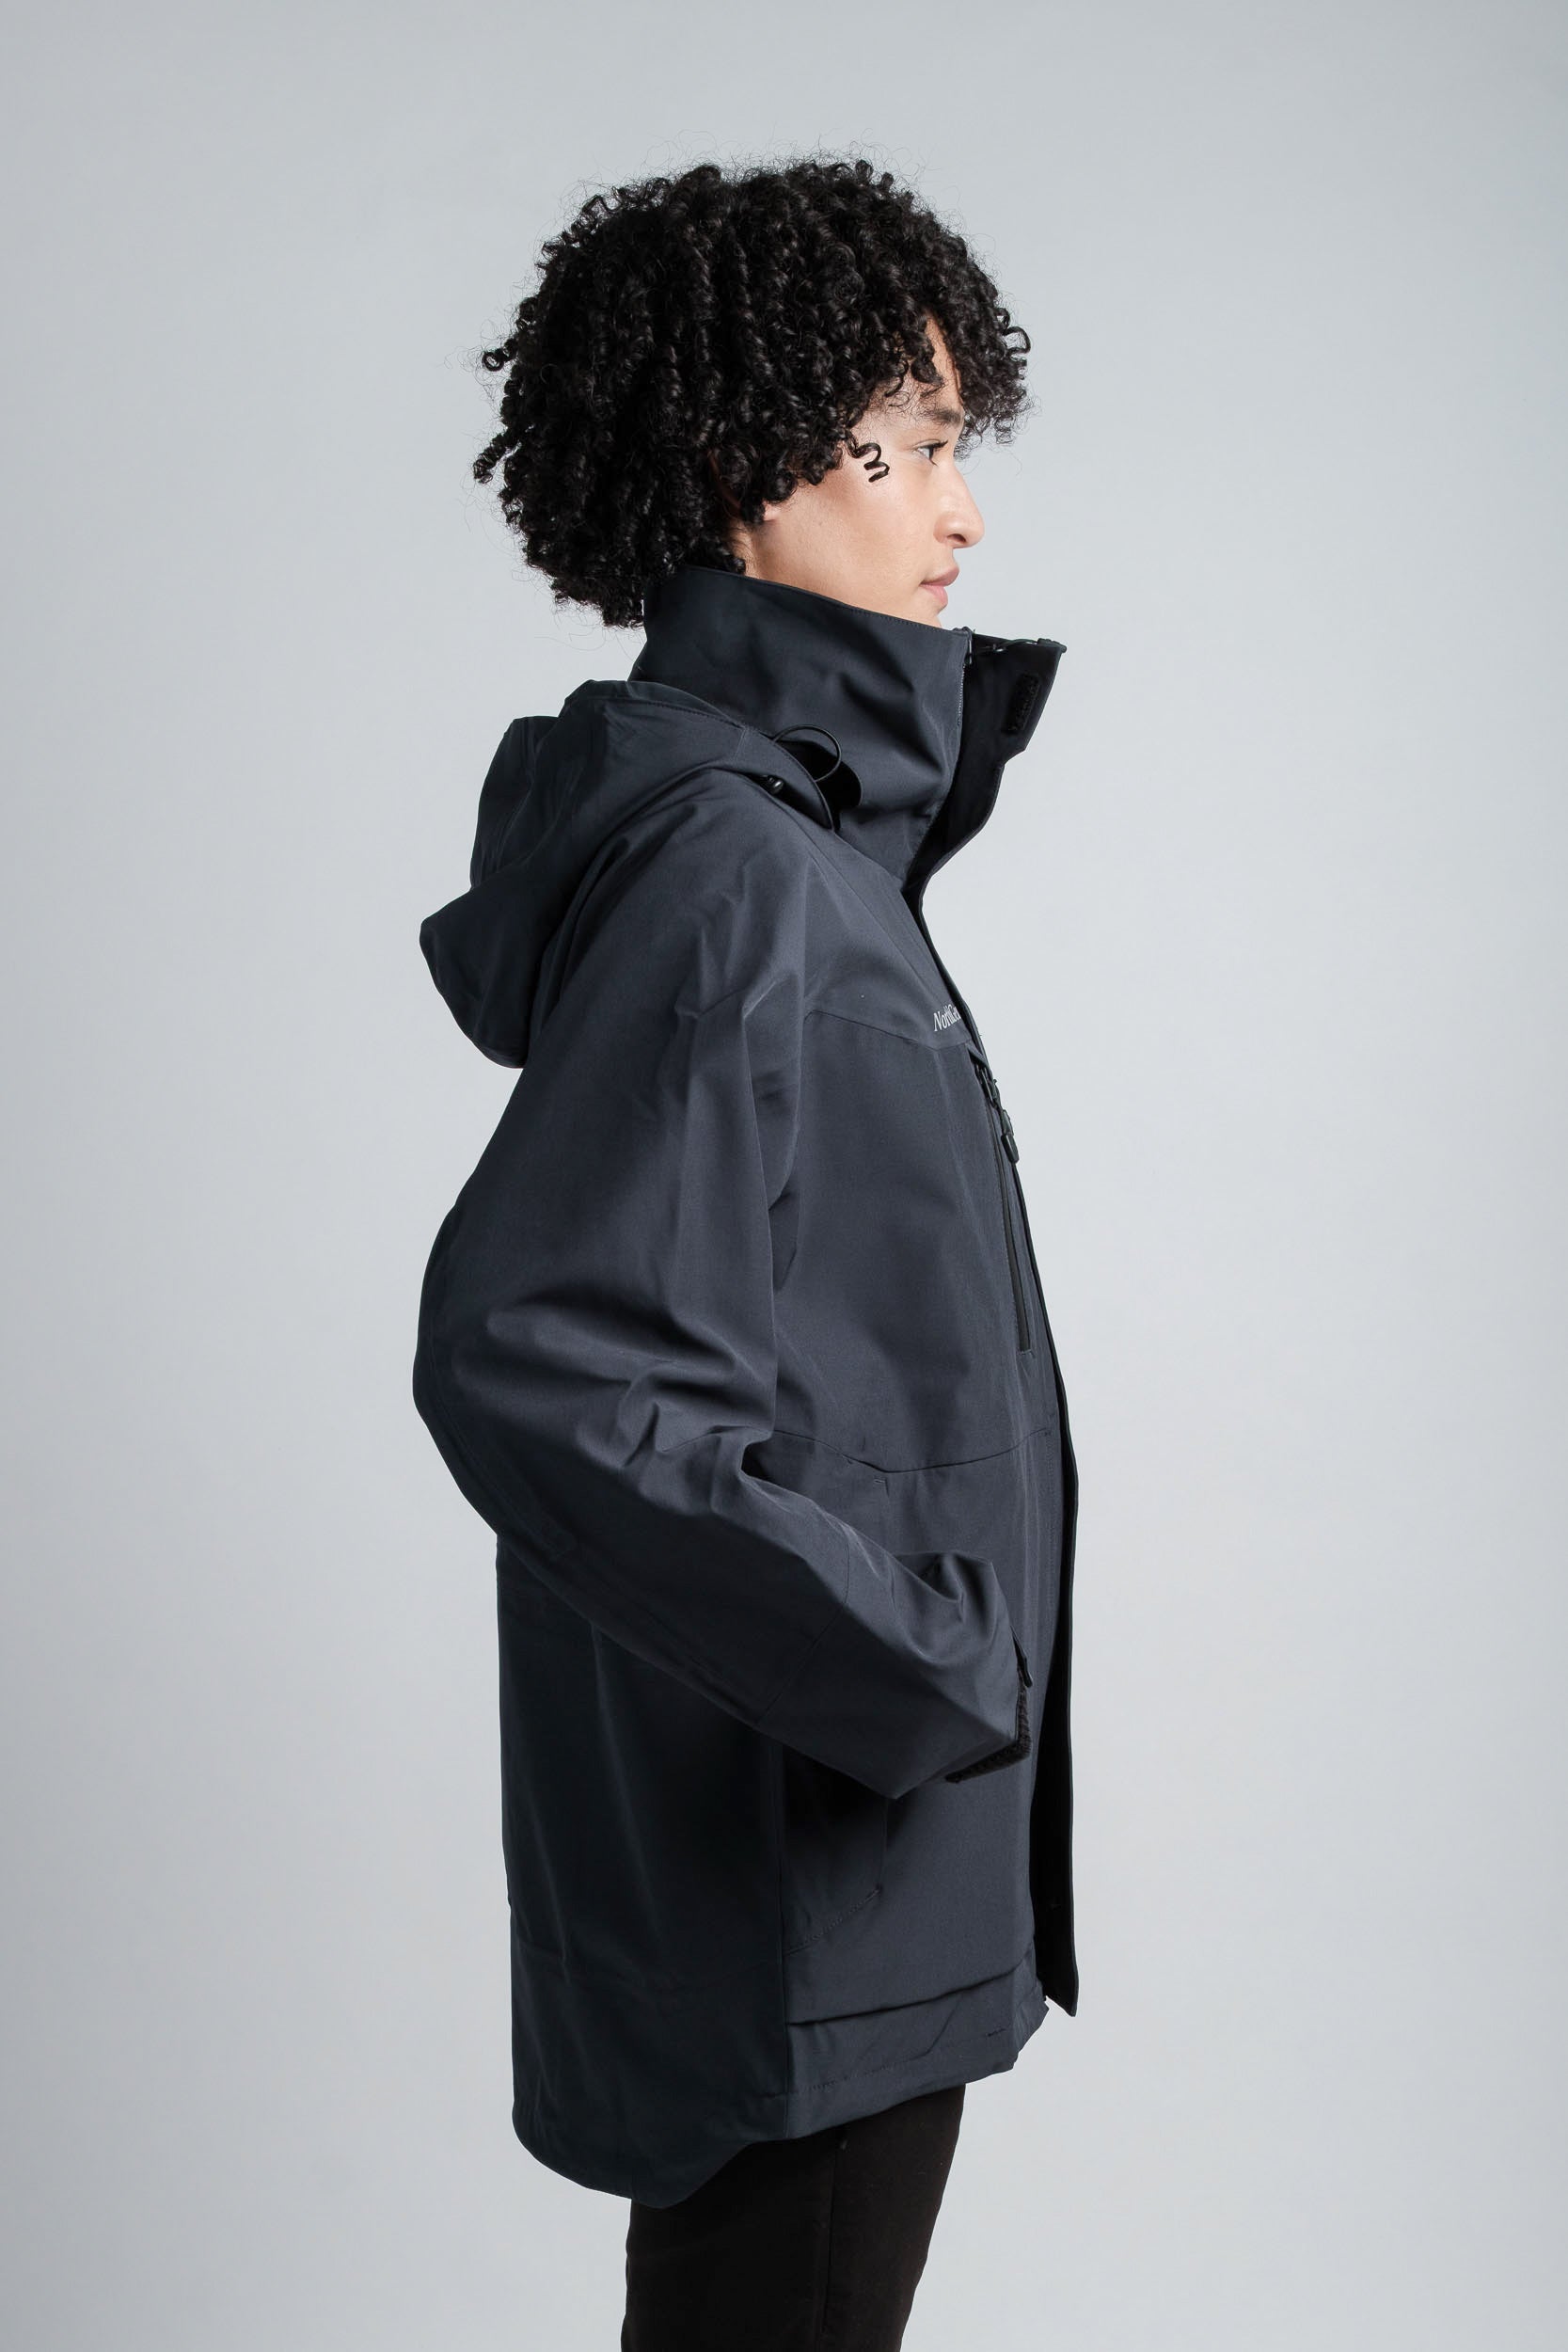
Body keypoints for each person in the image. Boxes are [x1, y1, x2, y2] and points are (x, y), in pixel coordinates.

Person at [412, 154, 1080, 2351]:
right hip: (800, 1863)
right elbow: (547, 1355)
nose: (956, 510)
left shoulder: (797, 855)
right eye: (903, 446)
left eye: (960, 443)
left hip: (829, 1859)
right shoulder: (738, 873)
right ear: (740, 473)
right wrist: (922, 1664)